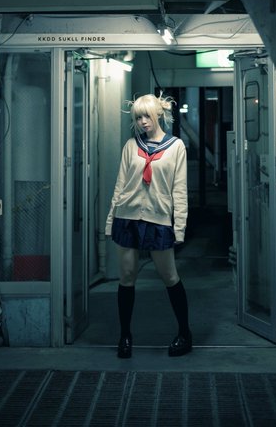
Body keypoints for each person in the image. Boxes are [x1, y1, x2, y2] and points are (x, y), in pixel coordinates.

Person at [105, 92, 192, 359]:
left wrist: (179, 227)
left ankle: (185, 334)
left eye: (147, 116)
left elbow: (179, 190)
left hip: (158, 219)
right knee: (127, 277)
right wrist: (110, 221)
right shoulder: (131, 145)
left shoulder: (176, 146)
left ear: (159, 115)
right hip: (127, 217)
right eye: (138, 117)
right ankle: (125, 336)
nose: (143, 122)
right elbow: (120, 185)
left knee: (170, 277)